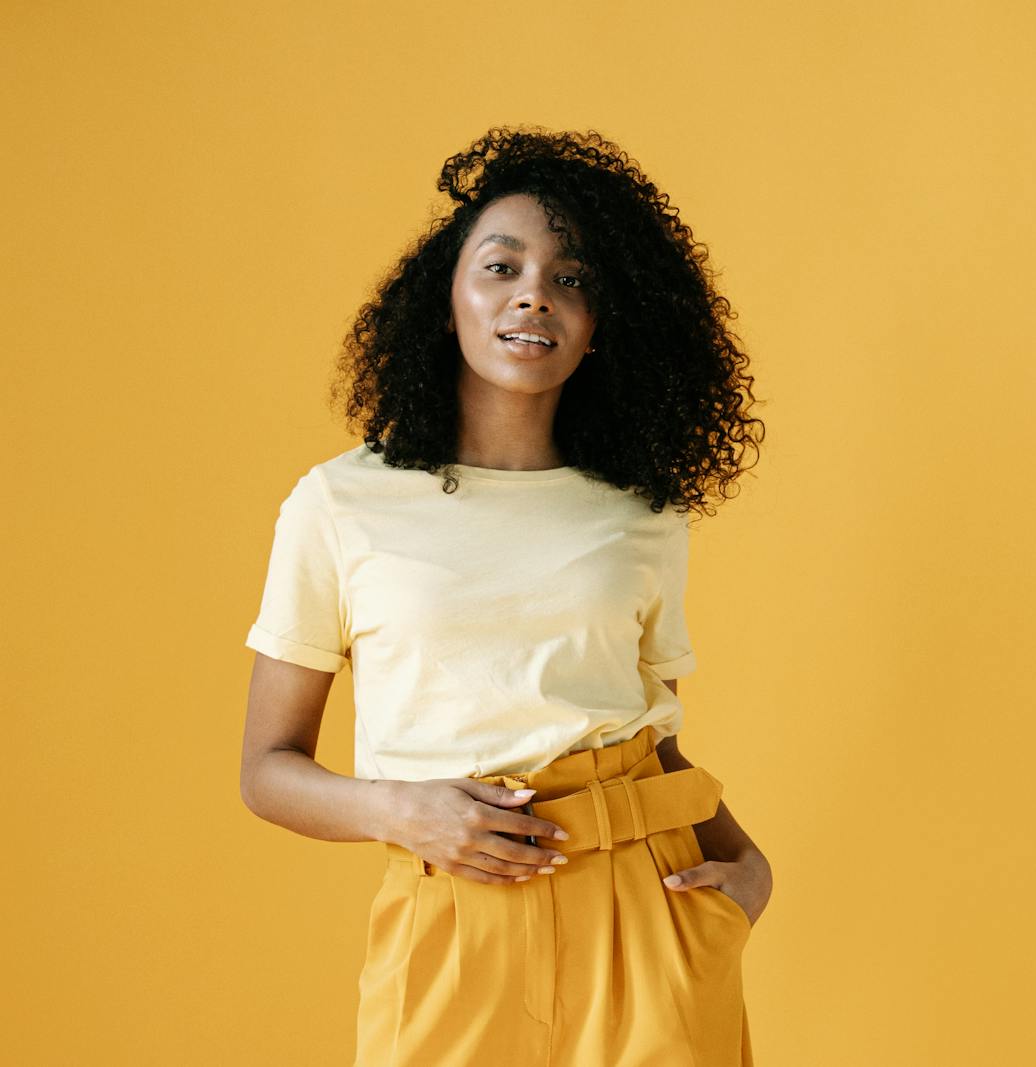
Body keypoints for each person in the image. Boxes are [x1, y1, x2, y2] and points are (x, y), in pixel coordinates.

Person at [238, 126, 770, 1066]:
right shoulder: (339, 504)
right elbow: (267, 769)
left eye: (572, 277)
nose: (534, 293)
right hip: (453, 918)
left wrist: (750, 868)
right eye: (502, 266)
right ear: (445, 302)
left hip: (646, 914)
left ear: (601, 324)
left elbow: (654, 739)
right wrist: (398, 811)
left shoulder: (640, 515)